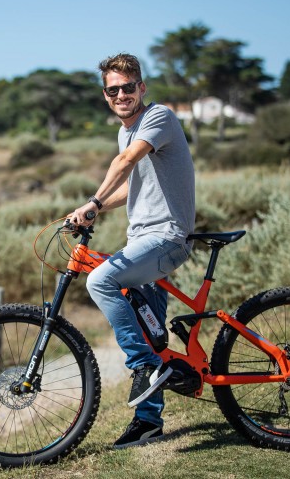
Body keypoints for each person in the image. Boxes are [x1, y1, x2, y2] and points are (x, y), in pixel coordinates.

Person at [68, 53, 195, 449]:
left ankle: (144, 367)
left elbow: (125, 162)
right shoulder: (126, 130)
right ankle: (148, 423)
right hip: (142, 241)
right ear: (105, 96)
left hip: (168, 238)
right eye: (113, 89)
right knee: (150, 333)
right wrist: (97, 209)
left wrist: (93, 198)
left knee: (102, 279)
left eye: (128, 86)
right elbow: (132, 186)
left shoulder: (158, 117)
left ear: (142, 87)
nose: (121, 94)